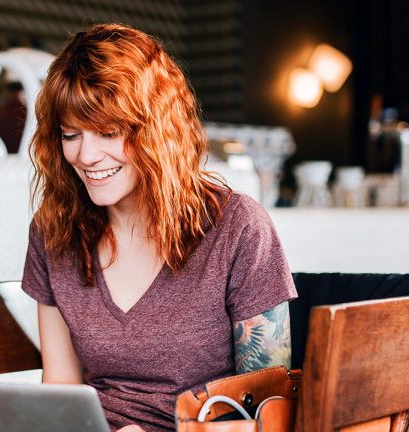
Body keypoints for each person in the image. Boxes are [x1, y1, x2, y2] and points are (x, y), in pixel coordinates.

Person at [21, 23, 297, 432]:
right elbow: (60, 391)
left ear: (156, 131)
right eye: (70, 134)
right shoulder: (54, 232)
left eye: (109, 132)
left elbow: (272, 414)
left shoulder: (237, 228)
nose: (86, 155)